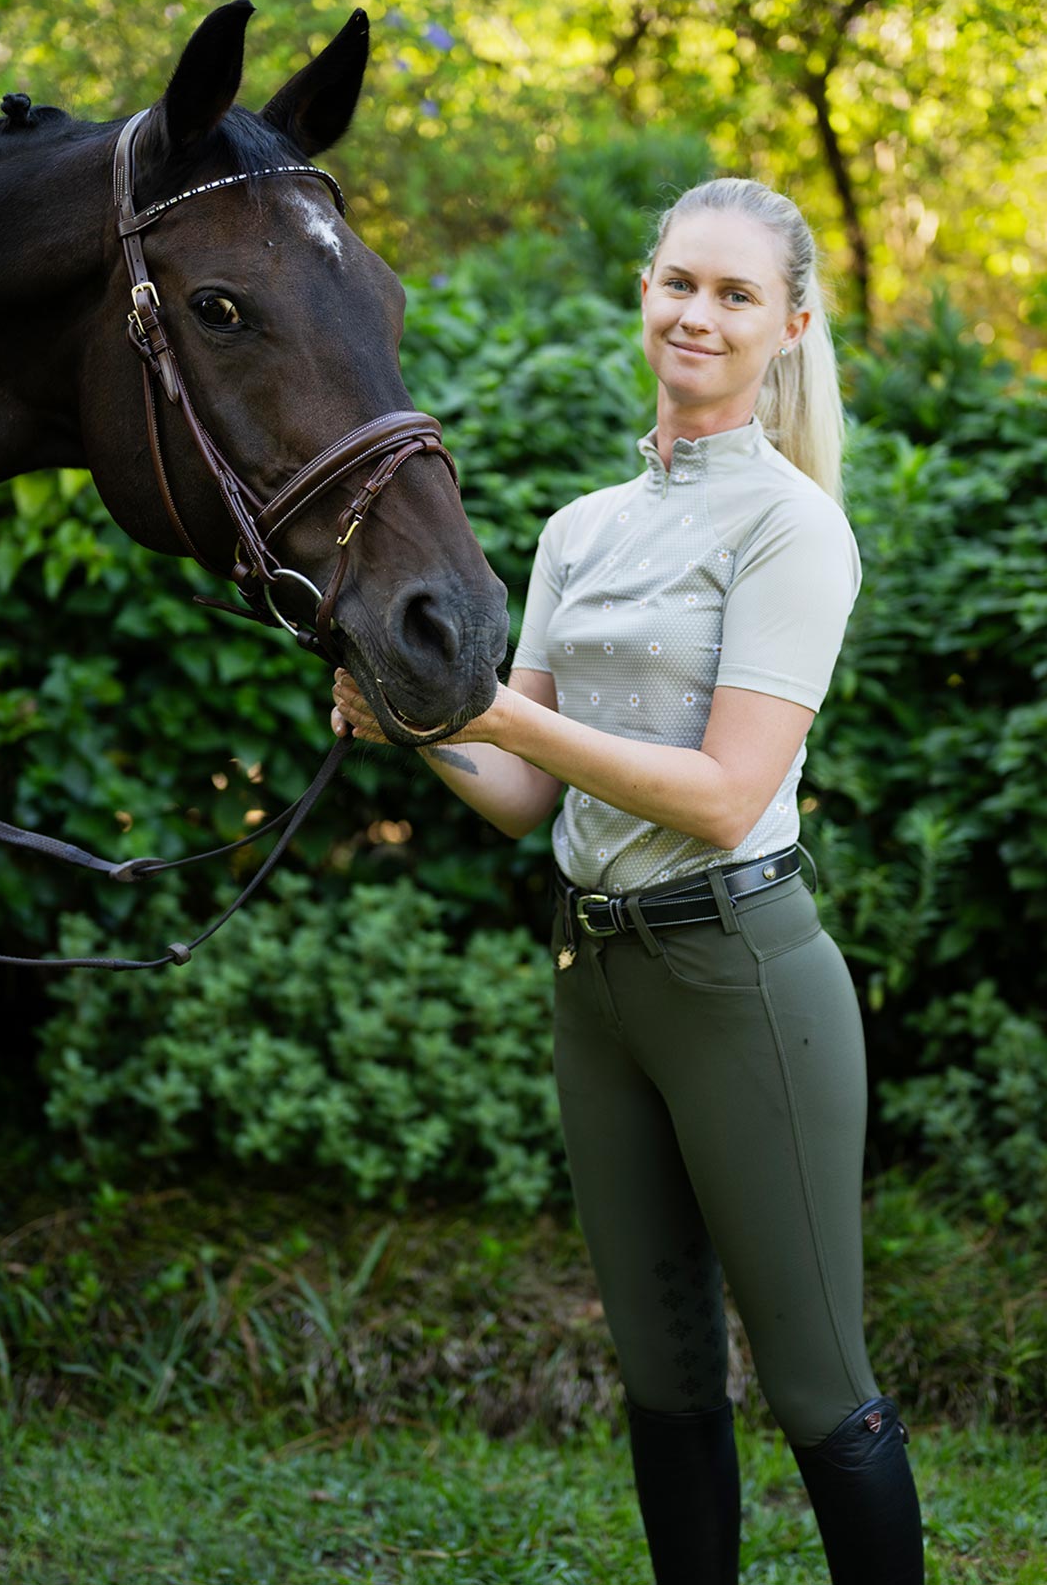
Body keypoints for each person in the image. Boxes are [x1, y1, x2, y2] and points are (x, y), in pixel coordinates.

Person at [330, 177, 923, 1584]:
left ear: (789, 322)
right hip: (595, 976)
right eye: (677, 282)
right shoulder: (579, 530)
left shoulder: (791, 528)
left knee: (815, 1382)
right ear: (644, 294)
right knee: (660, 1376)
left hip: (744, 980)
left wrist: (480, 707)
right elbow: (526, 795)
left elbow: (723, 797)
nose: (696, 313)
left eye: (732, 293)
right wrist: (410, 719)